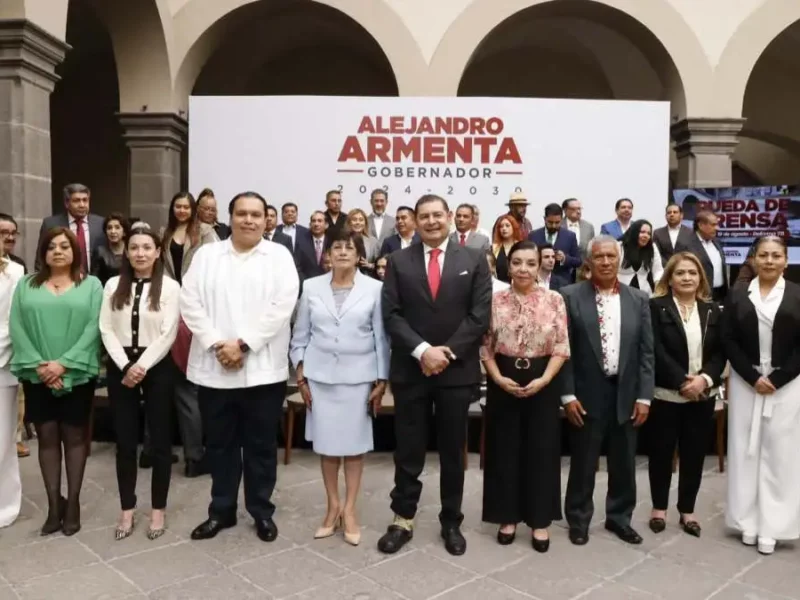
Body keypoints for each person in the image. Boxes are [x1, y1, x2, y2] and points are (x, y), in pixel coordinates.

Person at [181, 191, 299, 542]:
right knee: (220, 445)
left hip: (262, 369)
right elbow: (190, 301)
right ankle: (222, 511)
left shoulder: (278, 256)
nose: (249, 220)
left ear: (266, 220)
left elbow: (283, 305)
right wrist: (220, 344)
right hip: (215, 367)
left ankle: (261, 512)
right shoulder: (206, 255)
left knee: (261, 446)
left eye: (256, 215)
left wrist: (244, 343)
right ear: (229, 218)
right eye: (242, 214)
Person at [378, 194, 492, 556]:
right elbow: (391, 314)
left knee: (452, 451)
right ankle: (402, 518)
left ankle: (451, 521)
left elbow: (479, 316)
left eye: (437, 215)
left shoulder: (473, 259)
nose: (430, 222)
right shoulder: (398, 261)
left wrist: (446, 352)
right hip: (411, 370)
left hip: (456, 371)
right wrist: (422, 351)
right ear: (414, 221)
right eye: (423, 216)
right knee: (408, 449)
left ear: (450, 218)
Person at [290, 229, 389, 546]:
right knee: (328, 446)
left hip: (358, 378)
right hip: (320, 379)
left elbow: (381, 338)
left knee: (354, 447)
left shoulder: (375, 288)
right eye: (337, 247)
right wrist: (301, 375)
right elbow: (300, 335)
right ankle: (332, 506)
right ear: (327, 254)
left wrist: (381, 379)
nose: (343, 252)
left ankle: (350, 509)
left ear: (360, 254)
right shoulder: (311, 286)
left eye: (350, 247)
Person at [561, 235, 654, 546]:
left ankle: (619, 519)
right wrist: (567, 395)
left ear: (619, 259)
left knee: (624, 462)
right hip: (586, 392)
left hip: (626, 392)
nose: (605, 262)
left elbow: (646, 353)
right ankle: (578, 520)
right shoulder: (569, 296)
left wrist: (644, 396)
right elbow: (563, 351)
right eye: (598, 257)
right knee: (584, 461)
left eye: (610, 257)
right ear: (589, 261)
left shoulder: (638, 299)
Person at [10, 227, 103, 536]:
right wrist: (42, 366)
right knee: (47, 437)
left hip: (76, 372)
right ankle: (53, 506)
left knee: (75, 438)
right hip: (37, 373)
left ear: (75, 251)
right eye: (51, 247)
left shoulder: (91, 285)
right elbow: (17, 326)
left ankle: (73, 504)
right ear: (43, 252)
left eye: (65, 246)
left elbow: (94, 327)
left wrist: (63, 365)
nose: (58, 251)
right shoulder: (25, 285)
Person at [481, 241, 570, 553]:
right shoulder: (494, 300)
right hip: (502, 377)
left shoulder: (555, 299)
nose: (523, 269)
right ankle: (507, 517)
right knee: (504, 448)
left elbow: (561, 346)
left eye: (530, 263)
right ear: (508, 265)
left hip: (543, 378)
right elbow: (485, 345)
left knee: (541, 450)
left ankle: (539, 520)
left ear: (539, 266)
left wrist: (545, 379)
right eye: (517, 262)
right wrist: (497, 377)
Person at [99, 228, 180, 541]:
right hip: (121, 365)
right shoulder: (112, 285)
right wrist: (125, 366)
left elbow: (169, 332)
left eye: (147, 247)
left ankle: (158, 509)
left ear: (158, 252)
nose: (141, 253)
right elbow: (105, 329)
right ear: (127, 252)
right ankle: (127, 508)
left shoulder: (170, 287)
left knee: (160, 442)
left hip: (157, 367)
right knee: (125, 441)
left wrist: (142, 366)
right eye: (134, 248)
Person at [723, 236, 800, 555]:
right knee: (745, 450)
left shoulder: (797, 294)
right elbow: (728, 340)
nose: (769, 261)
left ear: (785, 260)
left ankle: (774, 525)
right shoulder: (740, 293)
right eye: (763, 255)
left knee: (780, 452)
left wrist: (778, 378)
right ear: (753, 259)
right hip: (746, 381)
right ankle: (747, 522)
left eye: (776, 256)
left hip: (787, 381)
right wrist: (754, 377)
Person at [648, 252, 724, 537]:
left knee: (694, 454)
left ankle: (687, 510)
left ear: (701, 278)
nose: (687, 278)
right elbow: (655, 349)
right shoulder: (656, 307)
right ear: (670, 278)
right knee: (661, 453)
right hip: (667, 394)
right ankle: (659, 508)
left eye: (693, 273)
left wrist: (703, 380)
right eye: (680, 273)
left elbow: (720, 352)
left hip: (702, 395)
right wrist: (683, 382)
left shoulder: (713, 310)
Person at [156, 191, 217, 476]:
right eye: (177, 206)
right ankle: (183, 454)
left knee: (188, 385)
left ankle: (197, 455)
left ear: (194, 210)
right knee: (175, 385)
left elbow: (215, 269)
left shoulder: (205, 232)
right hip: (168, 305)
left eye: (186, 206)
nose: (182, 210)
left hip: (196, 307)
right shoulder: (164, 233)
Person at [0, 239, 25, 528]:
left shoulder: (16, 273)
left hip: (3, 363)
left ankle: (5, 504)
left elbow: (15, 320)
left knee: (4, 437)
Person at [37, 184, 105, 272]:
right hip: (62, 279)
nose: (82, 205)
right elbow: (40, 258)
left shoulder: (100, 223)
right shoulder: (51, 224)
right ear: (66, 203)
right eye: (76, 201)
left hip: (94, 280)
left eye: (85, 200)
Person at [528, 203, 581, 281]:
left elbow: (578, 261)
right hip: (537, 280)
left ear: (561, 219)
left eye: (557, 223)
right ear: (544, 219)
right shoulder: (533, 235)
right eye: (550, 222)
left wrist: (564, 258)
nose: (553, 226)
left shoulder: (570, 236)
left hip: (562, 283)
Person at [617, 219, 663, 297]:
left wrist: (658, 288)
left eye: (649, 233)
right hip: (620, 292)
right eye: (642, 232)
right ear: (634, 232)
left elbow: (658, 270)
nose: (646, 236)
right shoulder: (619, 246)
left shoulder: (652, 247)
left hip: (644, 293)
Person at [92, 213, 130, 286]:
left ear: (124, 232)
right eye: (109, 228)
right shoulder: (100, 252)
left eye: (117, 227)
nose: (113, 231)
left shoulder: (131, 250)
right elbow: (95, 279)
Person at [491, 215, 524, 283]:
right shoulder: (494, 248)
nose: (504, 228)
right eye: (501, 226)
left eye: (507, 225)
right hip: (498, 285)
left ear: (514, 227)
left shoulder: (521, 246)